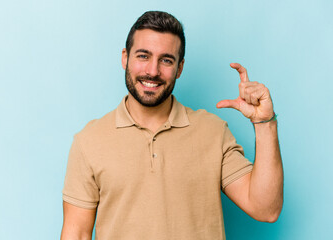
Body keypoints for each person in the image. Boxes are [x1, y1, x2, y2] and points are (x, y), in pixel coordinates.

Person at [60, 11, 283, 240]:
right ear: (125, 58)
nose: (153, 71)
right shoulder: (89, 141)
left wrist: (264, 122)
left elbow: (266, 209)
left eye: (166, 60)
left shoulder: (213, 132)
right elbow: (76, 233)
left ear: (180, 68)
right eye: (143, 56)